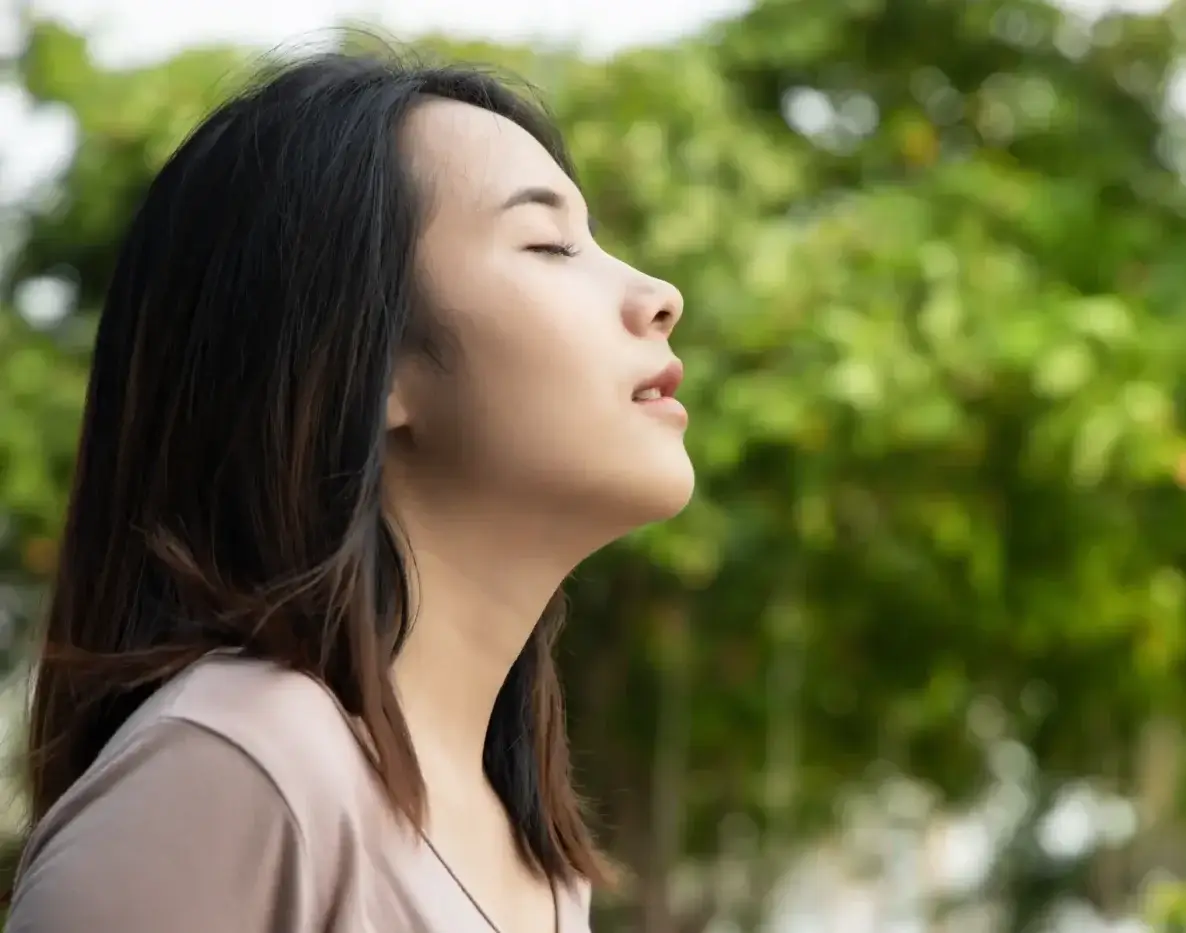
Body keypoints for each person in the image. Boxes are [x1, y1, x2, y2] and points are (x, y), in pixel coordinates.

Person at [5, 46, 691, 933]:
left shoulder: (538, 858)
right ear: (367, 365)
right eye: (549, 243)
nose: (659, 295)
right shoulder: (237, 769)